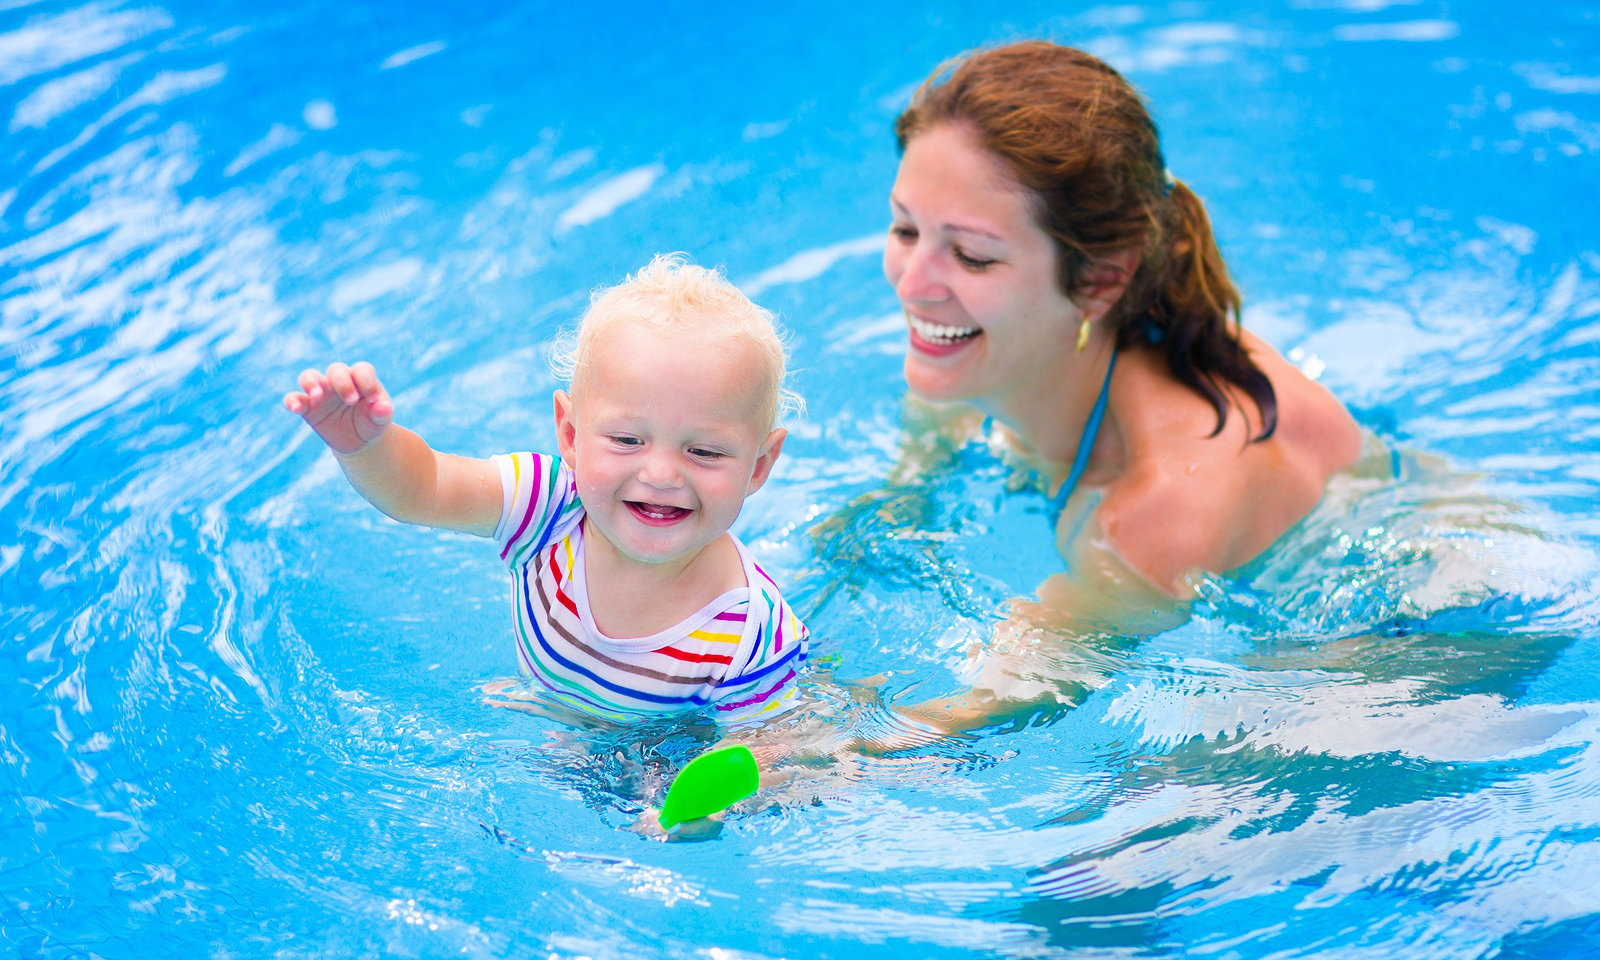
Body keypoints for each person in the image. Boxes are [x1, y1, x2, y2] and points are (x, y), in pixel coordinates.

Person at [872, 40, 1365, 728]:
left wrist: (795, 757)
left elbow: (974, 716)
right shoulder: (974, 354)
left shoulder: (1152, 512)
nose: (913, 284)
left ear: (1102, 281)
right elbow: (925, 440)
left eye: (973, 256)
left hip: (1415, 649)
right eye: (903, 228)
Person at [282, 254, 809, 726]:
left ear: (760, 465)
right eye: (627, 439)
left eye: (706, 452)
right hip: (544, 709)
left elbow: (765, 752)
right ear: (571, 434)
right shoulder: (548, 508)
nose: (662, 474)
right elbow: (423, 489)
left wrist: (692, 807)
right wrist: (366, 448)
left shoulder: (752, 633)